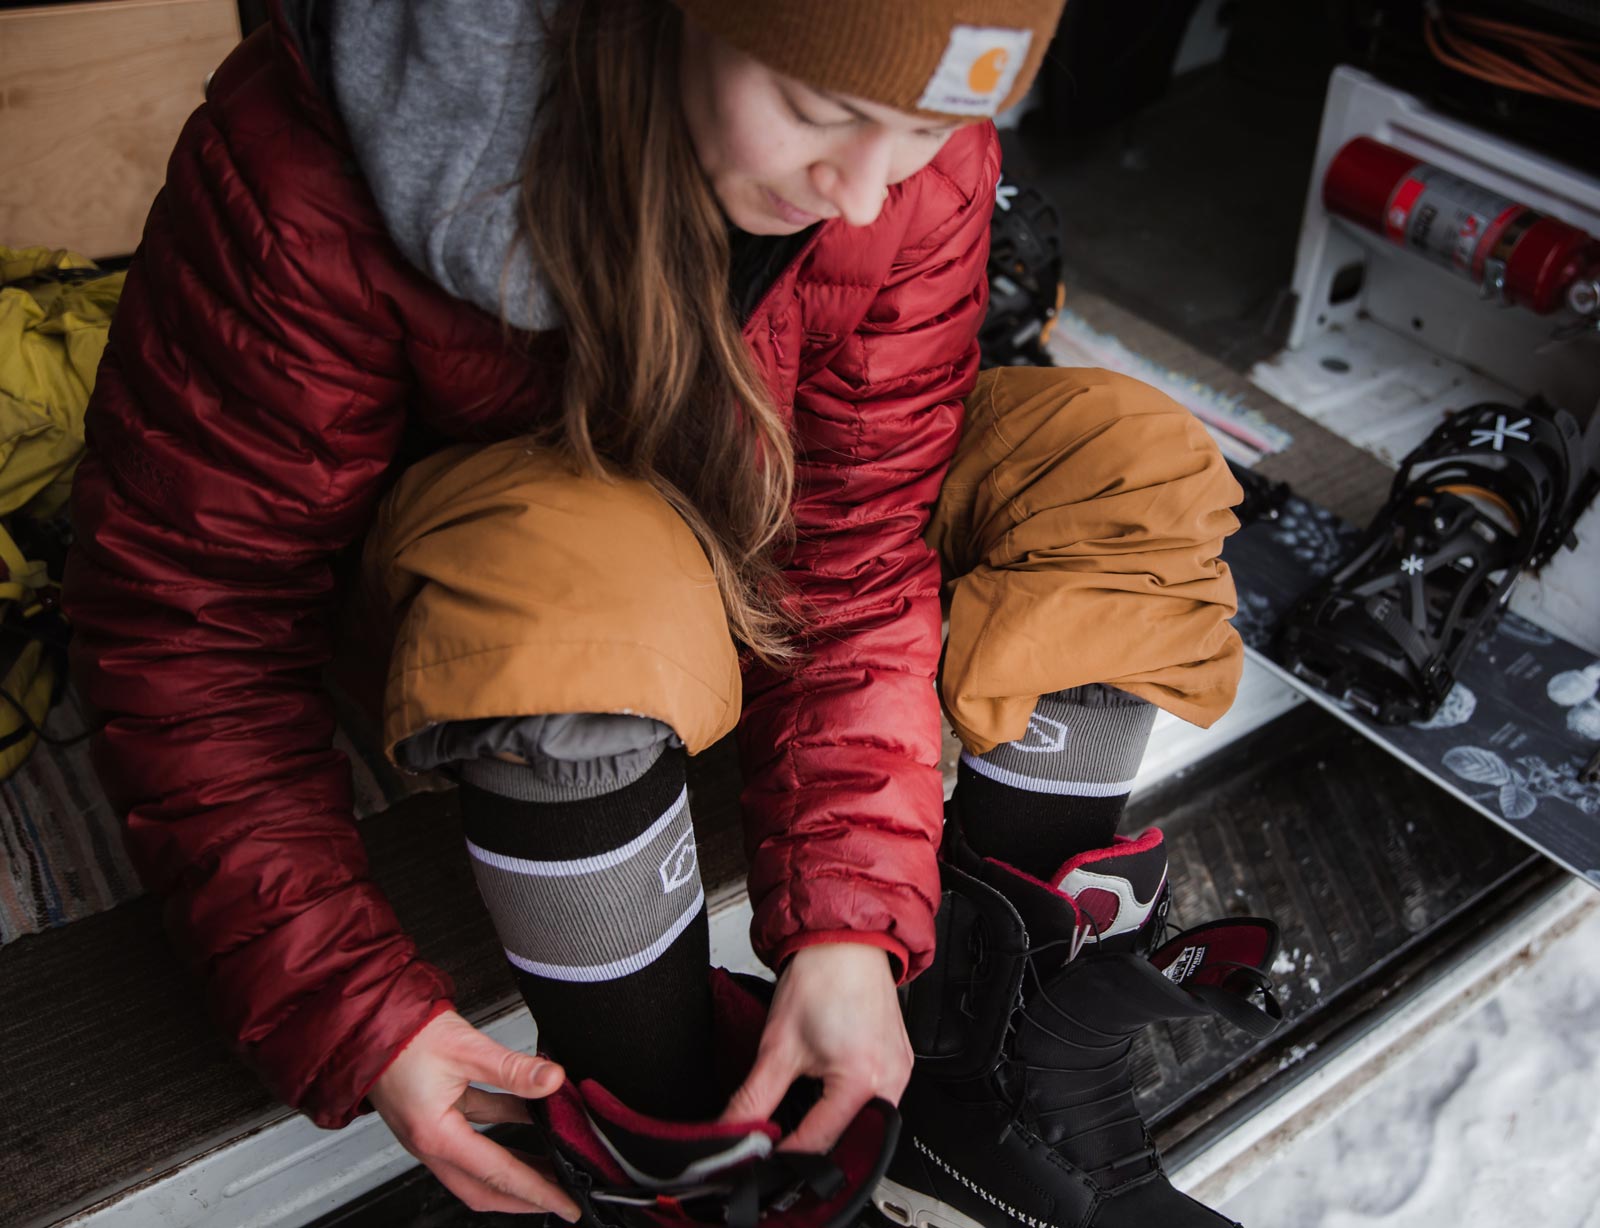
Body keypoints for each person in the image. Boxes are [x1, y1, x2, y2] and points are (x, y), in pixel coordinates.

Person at [64, 1, 1258, 1224]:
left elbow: (854, 550)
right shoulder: (303, 166)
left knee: (1120, 458)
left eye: (929, 127)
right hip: (504, 635)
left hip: (760, 538)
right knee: (584, 564)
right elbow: (185, 625)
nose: (861, 193)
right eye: (819, 113)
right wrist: (357, 1014)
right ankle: (674, 1144)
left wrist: (850, 923)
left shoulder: (905, 169)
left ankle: (978, 1071)